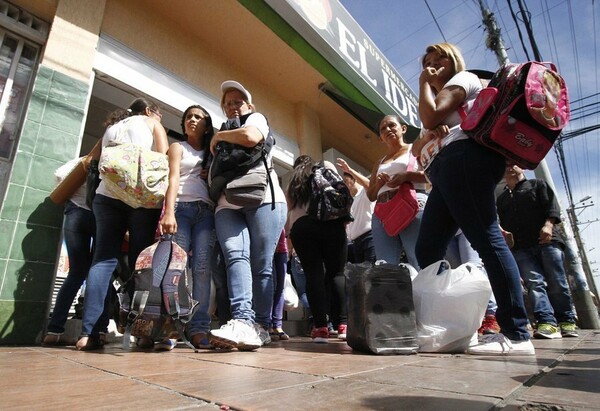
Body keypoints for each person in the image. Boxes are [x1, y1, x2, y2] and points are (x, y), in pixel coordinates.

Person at [412, 42, 534, 355]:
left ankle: (517, 333)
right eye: (427, 61)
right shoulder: (450, 94)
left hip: (465, 159)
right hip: (447, 171)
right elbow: (423, 135)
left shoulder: (464, 79)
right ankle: (449, 327)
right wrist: (430, 125)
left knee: (487, 239)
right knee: (427, 249)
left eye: (438, 58)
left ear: (453, 59)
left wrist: (424, 83)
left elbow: (429, 116)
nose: (432, 64)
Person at [76, 97, 168, 351]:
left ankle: (90, 333)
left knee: (102, 261)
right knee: (141, 265)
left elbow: (90, 162)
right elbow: (163, 159)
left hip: (106, 197)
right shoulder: (151, 123)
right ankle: (142, 333)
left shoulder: (111, 128)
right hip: (141, 200)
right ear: (150, 111)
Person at [208, 81, 287, 351]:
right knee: (234, 256)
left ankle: (262, 326)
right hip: (226, 202)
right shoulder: (222, 131)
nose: (232, 106)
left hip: (264, 197)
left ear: (249, 106)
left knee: (262, 264)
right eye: (227, 102)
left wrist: (218, 138)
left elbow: (252, 137)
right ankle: (242, 319)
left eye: (237, 101)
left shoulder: (255, 119)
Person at [497, 165, 578, 338]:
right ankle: (546, 322)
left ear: (523, 168)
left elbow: (552, 208)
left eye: (514, 164)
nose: (510, 168)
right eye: (506, 166)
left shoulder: (537, 184)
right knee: (534, 283)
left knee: (557, 282)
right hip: (520, 247)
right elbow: (503, 225)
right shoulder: (502, 199)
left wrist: (548, 226)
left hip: (547, 242)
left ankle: (566, 321)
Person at [159, 104, 216, 349]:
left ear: (206, 125)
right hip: (181, 209)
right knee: (176, 270)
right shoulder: (177, 147)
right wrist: (168, 212)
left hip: (207, 212)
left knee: (202, 270)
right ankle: (172, 327)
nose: (192, 120)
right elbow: (172, 179)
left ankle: (199, 328)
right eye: (188, 117)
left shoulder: (213, 152)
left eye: (198, 117)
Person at [287, 155, 348, 343]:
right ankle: (343, 325)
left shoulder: (293, 182)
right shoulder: (325, 168)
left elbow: (290, 211)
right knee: (337, 274)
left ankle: (321, 328)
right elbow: (339, 195)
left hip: (302, 228)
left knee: (313, 275)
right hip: (331, 224)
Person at [42, 158, 100, 346]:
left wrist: (76, 191)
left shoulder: (85, 159)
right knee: (100, 272)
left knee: (75, 273)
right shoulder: (116, 161)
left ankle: (54, 330)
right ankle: (97, 332)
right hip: (101, 216)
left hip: (75, 212)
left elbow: (59, 175)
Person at [367, 114, 428, 269]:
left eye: (392, 125)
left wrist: (406, 176)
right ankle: (393, 293)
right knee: (385, 267)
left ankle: (429, 292)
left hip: (411, 205)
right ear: (381, 137)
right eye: (383, 129)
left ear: (403, 129)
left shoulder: (415, 149)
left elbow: (432, 175)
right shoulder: (378, 163)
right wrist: (379, 183)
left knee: (419, 259)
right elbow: (371, 195)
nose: (388, 129)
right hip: (383, 214)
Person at [336, 158, 376, 264]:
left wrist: (349, 170)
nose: (343, 185)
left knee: (371, 273)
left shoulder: (364, 193)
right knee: (361, 276)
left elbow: (369, 184)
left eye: (345, 181)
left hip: (369, 237)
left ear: (354, 179)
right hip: (355, 243)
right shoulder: (348, 202)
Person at [270, 229, 289, 340]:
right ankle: (267, 324)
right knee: (270, 287)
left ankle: (277, 325)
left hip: (282, 248)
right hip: (267, 247)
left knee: (280, 288)